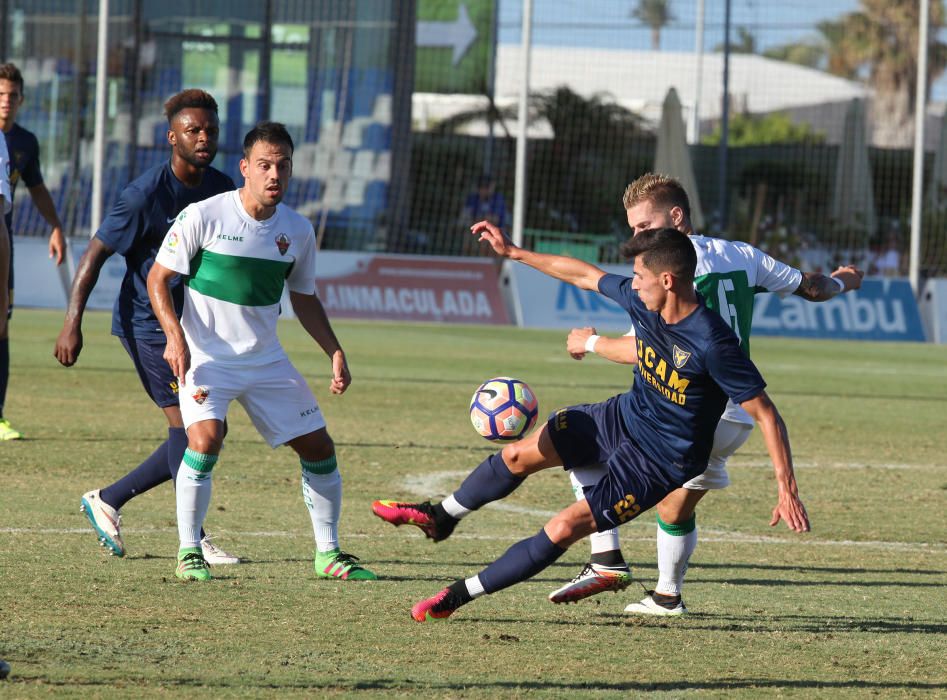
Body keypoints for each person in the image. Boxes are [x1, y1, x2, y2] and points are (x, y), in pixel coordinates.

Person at [374, 222, 808, 621]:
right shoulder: (646, 303)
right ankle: (441, 516)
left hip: (660, 462)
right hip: (622, 418)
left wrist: (786, 488)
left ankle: (456, 596)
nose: (632, 286)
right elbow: (583, 275)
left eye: (639, 277)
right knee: (518, 453)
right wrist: (515, 252)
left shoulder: (713, 342)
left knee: (564, 526)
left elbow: (767, 414)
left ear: (668, 281)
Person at [546, 172, 863, 615]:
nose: (638, 235)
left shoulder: (671, 275)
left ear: (676, 216)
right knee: (675, 507)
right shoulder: (742, 254)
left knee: (589, 448)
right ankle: (666, 595)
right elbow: (813, 287)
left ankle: (606, 560)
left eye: (645, 225)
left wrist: (591, 343)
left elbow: (643, 351)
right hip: (736, 417)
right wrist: (844, 280)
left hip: (693, 406)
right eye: (635, 228)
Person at [147, 121, 377, 583]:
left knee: (319, 447)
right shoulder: (204, 216)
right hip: (206, 357)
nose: (274, 175)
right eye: (265, 165)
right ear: (245, 168)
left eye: (283, 166)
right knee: (206, 440)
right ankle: (189, 550)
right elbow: (158, 279)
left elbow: (304, 297)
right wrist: (174, 336)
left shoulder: (298, 230)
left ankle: (328, 554)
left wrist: (333, 349)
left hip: (265, 358)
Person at [53, 89, 239, 565]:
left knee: (204, 428)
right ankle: (193, 538)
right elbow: (94, 256)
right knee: (191, 425)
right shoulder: (143, 195)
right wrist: (72, 322)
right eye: (193, 130)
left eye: (210, 130)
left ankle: (108, 499)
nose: (203, 138)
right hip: (148, 323)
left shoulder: (220, 189)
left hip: (196, 324)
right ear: (171, 136)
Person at [0, 62, 66, 440]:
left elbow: (37, 187)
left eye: (12, 96)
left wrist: (56, 226)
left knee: (2, 327)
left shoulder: (24, 143)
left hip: (2, 247)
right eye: (0, 95)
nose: (6, 102)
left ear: (21, 100)